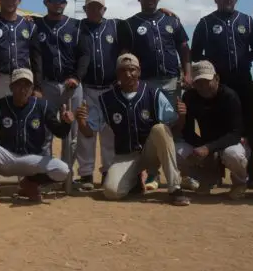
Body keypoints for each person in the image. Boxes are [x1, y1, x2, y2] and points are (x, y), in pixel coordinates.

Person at [75, 54, 189, 206]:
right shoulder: (106, 99)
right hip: (126, 156)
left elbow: (173, 131)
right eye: (123, 70)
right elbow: (89, 132)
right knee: (111, 192)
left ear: (139, 72)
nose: (128, 74)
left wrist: (182, 117)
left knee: (161, 129)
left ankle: (175, 188)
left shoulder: (153, 94)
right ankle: (134, 180)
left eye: (132, 70)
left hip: (151, 152)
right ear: (117, 74)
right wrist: (81, 121)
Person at [190, 0, 253, 190]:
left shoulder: (247, 21)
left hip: (242, 81)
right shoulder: (205, 23)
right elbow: (195, 53)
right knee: (215, 126)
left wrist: (242, 59)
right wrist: (214, 65)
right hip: (217, 85)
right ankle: (215, 172)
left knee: (246, 127)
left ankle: (249, 174)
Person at [125, 0, 192, 191]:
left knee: (176, 126)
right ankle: (153, 174)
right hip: (146, 84)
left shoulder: (171, 20)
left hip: (172, 81)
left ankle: (181, 173)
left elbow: (184, 48)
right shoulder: (131, 23)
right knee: (152, 127)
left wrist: (187, 73)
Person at [0, 68, 75, 208]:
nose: (23, 89)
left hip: (32, 161)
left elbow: (60, 133)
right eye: (19, 85)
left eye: (27, 85)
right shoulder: (1, 105)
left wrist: (66, 123)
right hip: (7, 159)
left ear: (32, 88)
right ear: (11, 87)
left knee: (63, 170)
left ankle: (30, 184)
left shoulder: (43, 106)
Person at [73, 0, 131, 190]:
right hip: (87, 88)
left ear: (104, 9)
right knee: (86, 132)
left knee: (109, 133)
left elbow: (142, 19)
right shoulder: (78, 26)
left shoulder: (116, 26)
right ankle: (86, 174)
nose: (95, 10)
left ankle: (108, 170)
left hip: (110, 89)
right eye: (91, 7)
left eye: (99, 7)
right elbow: (55, 21)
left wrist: (167, 11)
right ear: (85, 9)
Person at [33, 0, 89, 185]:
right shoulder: (37, 25)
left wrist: (77, 77)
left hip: (71, 86)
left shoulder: (76, 25)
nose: (59, 3)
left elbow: (84, 55)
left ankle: (67, 175)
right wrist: (37, 86)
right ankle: (48, 174)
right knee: (45, 132)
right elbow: (36, 58)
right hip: (47, 85)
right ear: (46, 2)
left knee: (71, 134)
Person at [175, 61, 250, 199]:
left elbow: (235, 133)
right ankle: (205, 179)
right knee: (177, 152)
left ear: (216, 78)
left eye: (207, 81)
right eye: (198, 82)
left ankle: (240, 183)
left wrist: (209, 148)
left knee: (234, 155)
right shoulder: (190, 97)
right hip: (206, 144)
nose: (203, 86)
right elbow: (187, 132)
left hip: (230, 143)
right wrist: (182, 118)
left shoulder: (229, 96)